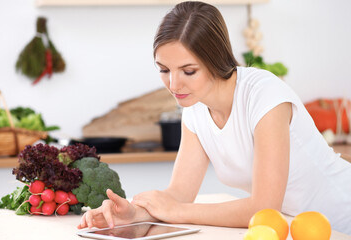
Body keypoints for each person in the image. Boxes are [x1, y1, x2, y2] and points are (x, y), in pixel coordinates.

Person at [78, 1, 351, 234]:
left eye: (188, 71)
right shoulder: (195, 109)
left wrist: (178, 212)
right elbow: (179, 195)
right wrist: (135, 214)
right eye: (164, 69)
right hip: (296, 228)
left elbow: (264, 206)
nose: (173, 85)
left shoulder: (264, 96)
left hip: (342, 220)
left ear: (216, 59)